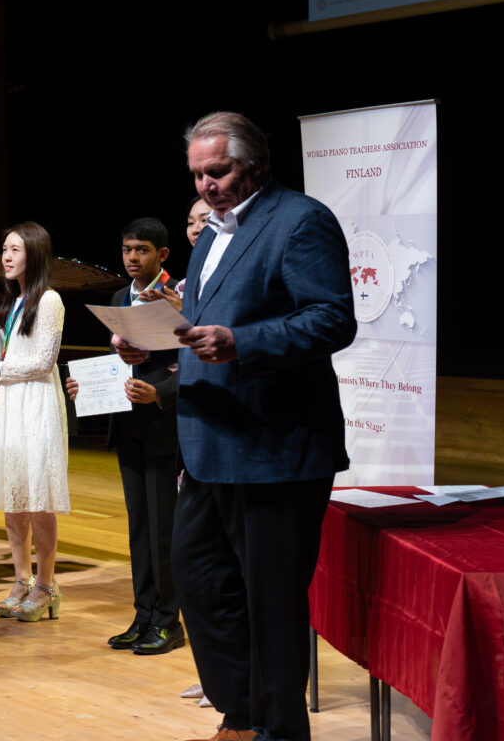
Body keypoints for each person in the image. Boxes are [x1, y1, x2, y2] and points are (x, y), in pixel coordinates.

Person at [124, 111, 354, 741]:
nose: (207, 185)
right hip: (207, 442)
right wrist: (150, 345)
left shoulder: (300, 221)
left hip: (273, 447)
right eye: (198, 174)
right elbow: (197, 328)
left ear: (255, 164)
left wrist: (242, 342)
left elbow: (333, 319)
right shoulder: (211, 236)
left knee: (272, 603)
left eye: (218, 171)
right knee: (199, 582)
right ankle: (243, 710)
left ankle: (275, 729)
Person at [68, 218, 183, 655]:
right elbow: (118, 363)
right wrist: (86, 385)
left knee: (163, 526)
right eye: (127, 249)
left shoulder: (179, 296)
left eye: (142, 250)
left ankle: (169, 621)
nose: (133, 257)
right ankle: (143, 614)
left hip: (166, 422)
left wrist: (162, 393)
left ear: (162, 254)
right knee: (139, 524)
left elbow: (198, 365)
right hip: (129, 423)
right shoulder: (120, 297)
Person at [0, 222, 68, 624]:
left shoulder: (49, 300)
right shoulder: (12, 302)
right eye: (4, 249)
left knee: (38, 498)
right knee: (13, 496)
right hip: (9, 403)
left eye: (15, 250)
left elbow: (43, 362)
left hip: (36, 405)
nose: (6, 256)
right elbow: (8, 355)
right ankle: (21, 579)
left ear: (34, 254)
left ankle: (47, 585)